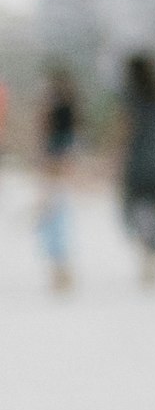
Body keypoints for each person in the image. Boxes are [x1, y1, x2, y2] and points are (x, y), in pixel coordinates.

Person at [114, 53, 155, 289]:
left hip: (138, 162)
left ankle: (147, 250)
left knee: (136, 209)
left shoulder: (131, 96)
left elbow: (125, 128)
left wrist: (116, 156)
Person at [33, 63, 79, 295]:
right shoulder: (70, 111)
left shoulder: (57, 111)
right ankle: (60, 270)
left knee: (51, 217)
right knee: (54, 216)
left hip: (54, 170)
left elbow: (47, 138)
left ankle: (59, 270)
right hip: (58, 170)